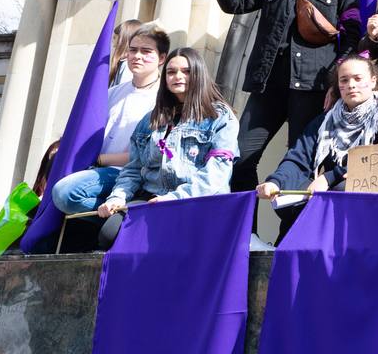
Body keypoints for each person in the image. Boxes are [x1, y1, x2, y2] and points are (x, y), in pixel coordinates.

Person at [209, 0, 362, 192]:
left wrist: (335, 82)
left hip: (312, 88)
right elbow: (235, 3)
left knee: (298, 164)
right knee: (240, 157)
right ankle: (248, 233)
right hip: (268, 85)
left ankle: (286, 235)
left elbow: (352, 40)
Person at [258, 56, 378, 241]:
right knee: (290, 190)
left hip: (365, 192)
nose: (351, 85)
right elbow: (297, 158)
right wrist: (276, 182)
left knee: (341, 190)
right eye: (344, 80)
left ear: (373, 81)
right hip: (326, 190)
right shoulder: (323, 121)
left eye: (357, 78)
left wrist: (329, 177)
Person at [96, 48, 238, 247]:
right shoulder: (150, 119)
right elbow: (133, 169)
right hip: (152, 198)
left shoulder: (220, 116)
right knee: (110, 234)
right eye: (171, 72)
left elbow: (218, 173)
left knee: (168, 239)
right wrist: (118, 197)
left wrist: (175, 198)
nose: (178, 77)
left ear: (198, 74)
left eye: (186, 71)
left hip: (197, 201)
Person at [51, 25, 169, 217]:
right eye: (133, 50)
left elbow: (142, 155)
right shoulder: (111, 93)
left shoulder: (162, 100)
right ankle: (115, 213)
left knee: (65, 193)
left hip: (126, 174)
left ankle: (124, 215)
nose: (137, 56)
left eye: (146, 51)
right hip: (94, 170)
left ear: (162, 58)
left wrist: (98, 160)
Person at [107, 19, 143, 88]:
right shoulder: (123, 64)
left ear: (123, 40)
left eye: (115, 38)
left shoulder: (127, 65)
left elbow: (122, 93)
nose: (113, 44)